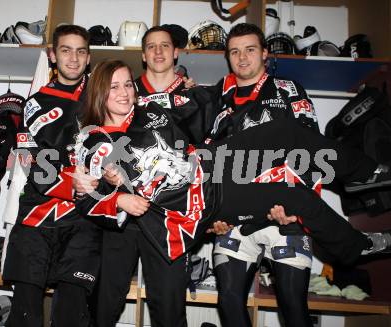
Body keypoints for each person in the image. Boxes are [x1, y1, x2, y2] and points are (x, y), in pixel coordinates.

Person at [75, 60, 391, 284]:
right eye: (114, 86)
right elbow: (86, 199)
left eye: (128, 84)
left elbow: (199, 108)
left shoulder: (149, 110)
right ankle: (356, 246)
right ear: (100, 92)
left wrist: (191, 88)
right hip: (195, 203)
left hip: (209, 164)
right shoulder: (95, 141)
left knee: (283, 130)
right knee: (295, 199)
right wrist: (118, 201)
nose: (124, 92)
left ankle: (369, 172)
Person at [209, 23, 318, 327]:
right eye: (234, 51)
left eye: (250, 49)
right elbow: (211, 162)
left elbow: (312, 149)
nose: (242, 57)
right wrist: (212, 213)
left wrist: (298, 209)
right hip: (237, 217)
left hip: (283, 213)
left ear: (265, 53)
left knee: (292, 305)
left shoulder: (288, 89)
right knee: (228, 299)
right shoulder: (219, 98)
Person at [93, 26, 202, 327]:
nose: (157, 52)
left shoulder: (191, 94)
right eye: (151, 47)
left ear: (176, 51)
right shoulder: (125, 91)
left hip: (168, 216)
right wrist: (113, 192)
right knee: (105, 302)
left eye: (164, 46)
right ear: (142, 55)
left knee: (169, 309)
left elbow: (205, 151)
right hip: (123, 220)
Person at [2, 25, 108, 327]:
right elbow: (29, 162)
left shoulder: (102, 94)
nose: (73, 59)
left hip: (83, 219)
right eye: (65, 50)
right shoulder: (34, 104)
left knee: (71, 315)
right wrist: (69, 185)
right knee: (24, 315)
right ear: (52, 55)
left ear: (88, 58)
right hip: (37, 215)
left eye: (80, 51)